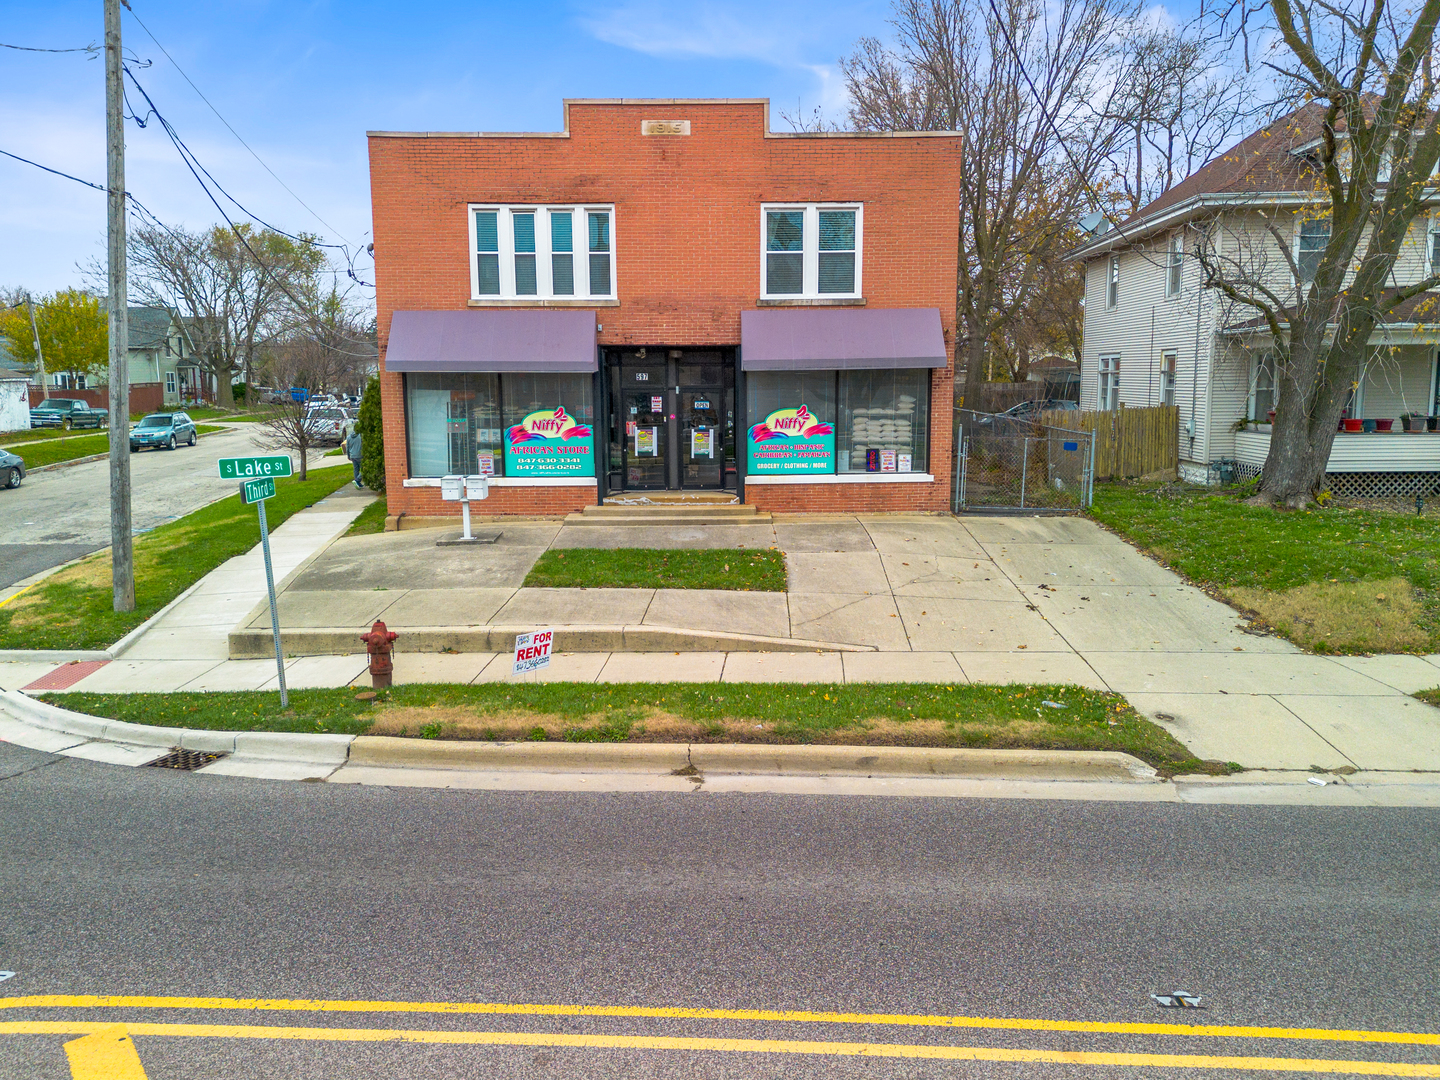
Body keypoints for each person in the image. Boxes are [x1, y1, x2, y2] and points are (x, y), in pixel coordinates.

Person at [344, 423, 363, 488]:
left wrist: (348, 456)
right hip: (360, 455)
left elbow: (347, 447)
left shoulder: (349, 437)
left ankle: (357, 483)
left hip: (352, 455)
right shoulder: (361, 436)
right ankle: (357, 480)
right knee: (364, 469)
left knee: (356, 469)